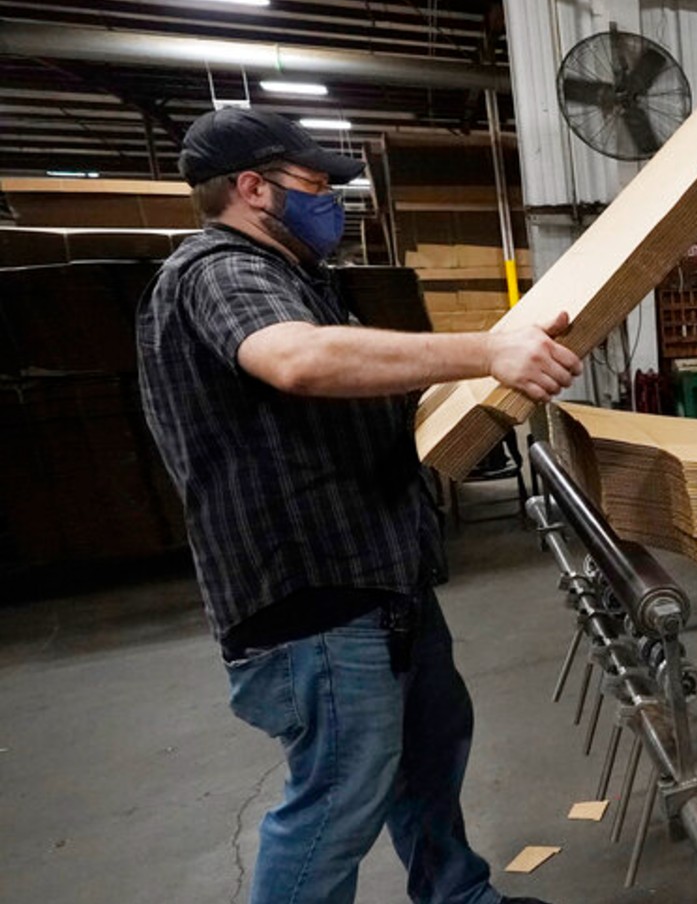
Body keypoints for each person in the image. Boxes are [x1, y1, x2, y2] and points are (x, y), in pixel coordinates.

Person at [136, 107, 579, 904]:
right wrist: (488, 349)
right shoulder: (218, 270)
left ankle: (456, 896)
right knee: (336, 805)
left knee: (427, 762)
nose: (333, 202)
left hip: (382, 582)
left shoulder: (300, 279)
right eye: (313, 186)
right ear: (251, 188)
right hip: (313, 599)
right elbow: (297, 360)